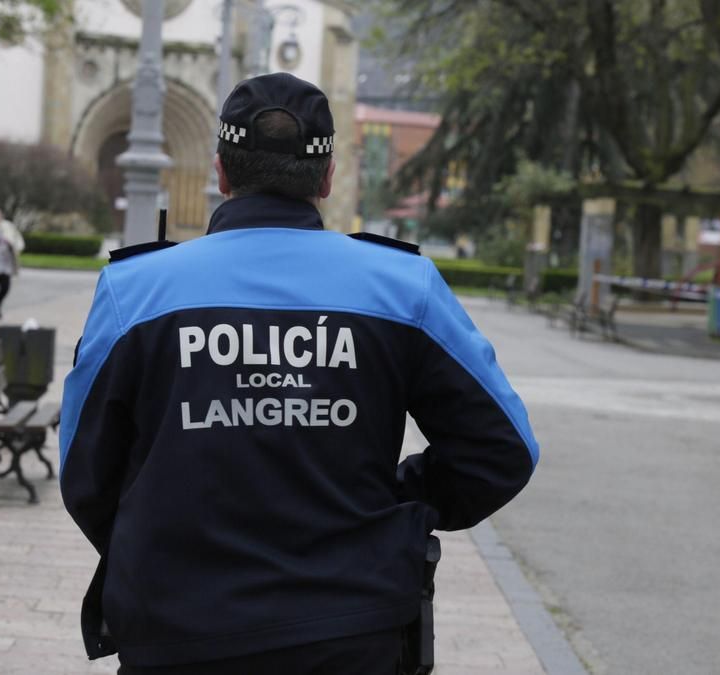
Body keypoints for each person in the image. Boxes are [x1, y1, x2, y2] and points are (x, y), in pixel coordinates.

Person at [60, 73, 539, 675]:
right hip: (349, 629)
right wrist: (391, 508)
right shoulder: (401, 287)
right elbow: (502, 449)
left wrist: (162, 540)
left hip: (178, 630)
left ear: (220, 173)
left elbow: (84, 470)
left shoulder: (137, 290)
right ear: (329, 176)